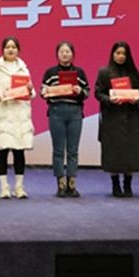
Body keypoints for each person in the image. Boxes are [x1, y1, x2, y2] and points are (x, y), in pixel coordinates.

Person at [0, 36, 35, 199]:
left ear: (18, 50)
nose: (11, 50)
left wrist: (30, 90)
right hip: (4, 114)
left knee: (19, 152)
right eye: (7, 47)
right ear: (2, 50)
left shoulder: (24, 69)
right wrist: (2, 94)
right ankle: (4, 187)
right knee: (3, 150)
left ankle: (19, 187)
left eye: (13, 47)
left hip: (20, 115)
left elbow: (32, 93)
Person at [94, 41, 139, 198]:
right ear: (113, 54)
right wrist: (110, 99)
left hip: (130, 116)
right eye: (118, 53)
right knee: (113, 151)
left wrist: (137, 99)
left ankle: (128, 184)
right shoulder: (104, 72)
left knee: (131, 150)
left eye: (124, 53)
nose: (121, 56)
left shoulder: (133, 72)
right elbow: (98, 93)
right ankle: (115, 184)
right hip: (112, 116)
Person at [41, 41, 89, 198]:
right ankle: (60, 184)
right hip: (56, 112)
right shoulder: (50, 73)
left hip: (75, 113)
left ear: (72, 54)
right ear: (57, 54)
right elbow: (43, 92)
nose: (65, 54)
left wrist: (80, 90)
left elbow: (87, 93)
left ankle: (72, 184)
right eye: (62, 51)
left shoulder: (79, 72)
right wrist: (46, 91)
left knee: (73, 150)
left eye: (68, 51)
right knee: (58, 150)